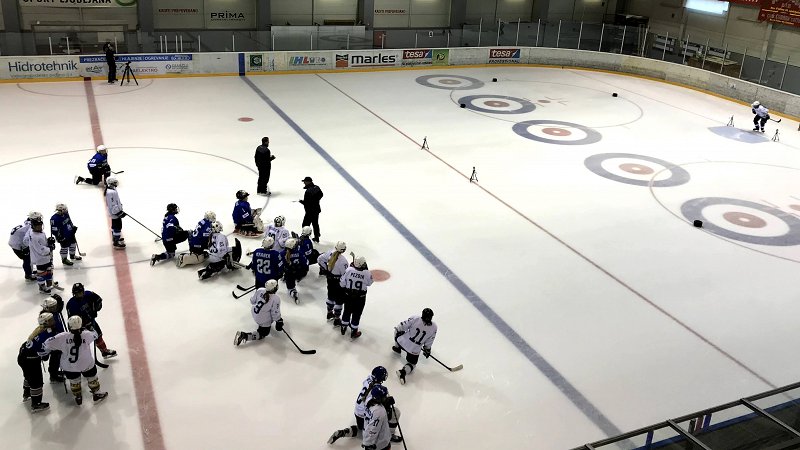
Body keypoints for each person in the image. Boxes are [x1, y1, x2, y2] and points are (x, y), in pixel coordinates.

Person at [42, 316, 109, 405]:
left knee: (74, 381)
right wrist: (90, 328)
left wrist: (52, 349)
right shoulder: (86, 334)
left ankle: (78, 396)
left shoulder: (62, 336)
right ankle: (97, 393)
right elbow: (95, 334)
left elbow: (46, 344)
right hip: (86, 364)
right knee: (92, 377)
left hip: (69, 367)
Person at [328, 366, 402, 445]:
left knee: (363, 430)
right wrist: (387, 400)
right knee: (395, 412)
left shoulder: (368, 379)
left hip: (357, 413)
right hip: (366, 415)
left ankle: (345, 432)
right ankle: (390, 435)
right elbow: (380, 402)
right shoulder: (376, 390)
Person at [17, 313, 59, 413]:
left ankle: (27, 393)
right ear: (46, 323)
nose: (53, 321)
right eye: (50, 320)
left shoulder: (40, 330)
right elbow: (44, 355)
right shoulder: (47, 335)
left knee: (29, 376)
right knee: (36, 381)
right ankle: (36, 404)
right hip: (30, 360)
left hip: (23, 356)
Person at [66, 283, 117, 359]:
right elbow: (71, 320)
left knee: (98, 335)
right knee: (81, 341)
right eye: (77, 293)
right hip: (80, 326)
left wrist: (96, 307)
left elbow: (98, 299)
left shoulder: (88, 294)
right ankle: (79, 358)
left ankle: (104, 351)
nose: (79, 295)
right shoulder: (71, 304)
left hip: (91, 320)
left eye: (80, 292)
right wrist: (79, 328)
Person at [393, 308, 438, 385]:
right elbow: (430, 341)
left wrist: (398, 331)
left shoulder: (415, 318)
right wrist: (427, 349)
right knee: (412, 364)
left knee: (397, 331)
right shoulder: (434, 327)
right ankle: (403, 372)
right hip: (414, 350)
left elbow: (402, 326)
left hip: (402, 343)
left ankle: (397, 347)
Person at [234, 280, 284, 346]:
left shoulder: (260, 289)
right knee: (264, 333)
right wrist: (279, 321)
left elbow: (252, 301)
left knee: (266, 310)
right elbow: (275, 313)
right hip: (262, 320)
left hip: (254, 313)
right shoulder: (276, 298)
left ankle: (262, 324)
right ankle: (245, 335)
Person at [339, 256, 373, 339]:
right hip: (360, 298)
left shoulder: (349, 270)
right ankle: (354, 331)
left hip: (348, 296)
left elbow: (342, 283)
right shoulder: (367, 273)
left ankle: (343, 327)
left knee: (347, 311)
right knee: (357, 314)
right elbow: (369, 283)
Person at [317, 241, 349, 324]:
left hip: (330, 280)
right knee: (339, 301)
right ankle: (337, 319)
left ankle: (329, 313)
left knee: (330, 296)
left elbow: (319, 259)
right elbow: (345, 275)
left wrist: (326, 270)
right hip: (339, 282)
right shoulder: (343, 261)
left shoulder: (329, 253)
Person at [362, 385, 401, 450]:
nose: (385, 397)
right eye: (384, 397)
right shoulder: (379, 411)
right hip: (380, 443)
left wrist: (386, 403)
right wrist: (368, 444)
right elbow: (372, 430)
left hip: (368, 432)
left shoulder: (369, 400)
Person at [26, 213, 57, 294]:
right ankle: (42, 287)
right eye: (37, 225)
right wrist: (50, 248)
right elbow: (41, 250)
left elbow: (43, 243)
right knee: (42, 273)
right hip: (40, 259)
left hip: (46, 257)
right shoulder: (34, 236)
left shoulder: (39, 233)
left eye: (40, 225)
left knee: (49, 271)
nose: (39, 227)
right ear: (33, 226)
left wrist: (49, 241)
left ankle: (49, 284)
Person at [40, 295, 66, 382]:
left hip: (58, 337)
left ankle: (54, 371)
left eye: (55, 306)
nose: (55, 307)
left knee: (58, 356)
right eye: (53, 307)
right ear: (47, 308)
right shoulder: (46, 317)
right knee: (55, 356)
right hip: (53, 340)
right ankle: (53, 374)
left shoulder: (54, 312)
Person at [8, 213, 37, 281]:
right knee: (27, 258)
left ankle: (29, 272)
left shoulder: (27, 223)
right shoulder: (30, 227)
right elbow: (26, 240)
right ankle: (28, 274)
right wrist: (25, 248)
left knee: (27, 258)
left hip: (14, 243)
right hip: (17, 245)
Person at [283, 238, 309, 304]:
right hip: (298, 272)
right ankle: (298, 278)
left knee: (290, 288)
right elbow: (305, 264)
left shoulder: (282, 253)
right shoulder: (299, 253)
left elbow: (279, 265)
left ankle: (293, 292)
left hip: (289, 274)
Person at [104, 177, 126, 249]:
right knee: (118, 227)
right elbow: (112, 204)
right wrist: (118, 212)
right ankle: (116, 242)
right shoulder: (111, 192)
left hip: (115, 212)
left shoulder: (112, 190)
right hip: (115, 213)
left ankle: (115, 238)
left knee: (115, 226)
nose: (116, 183)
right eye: (115, 182)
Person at [299, 176, 323, 243]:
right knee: (315, 224)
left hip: (310, 212)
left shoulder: (308, 191)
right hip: (316, 210)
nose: (304, 183)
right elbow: (321, 195)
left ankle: (305, 238)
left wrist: (302, 202)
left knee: (305, 225)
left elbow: (307, 203)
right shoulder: (317, 187)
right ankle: (317, 237)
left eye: (304, 181)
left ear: (308, 182)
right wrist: (315, 201)